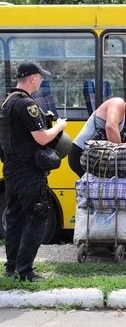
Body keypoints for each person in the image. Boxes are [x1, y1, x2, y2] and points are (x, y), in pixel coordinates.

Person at [0, 61, 67, 281]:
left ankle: (11, 268)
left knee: (15, 219)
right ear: (31, 78)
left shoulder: (7, 103)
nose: (41, 80)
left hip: (11, 171)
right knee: (38, 217)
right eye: (40, 77)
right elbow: (42, 137)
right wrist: (59, 126)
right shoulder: (27, 104)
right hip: (29, 173)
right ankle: (26, 271)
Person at [68, 96, 126, 178]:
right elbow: (111, 127)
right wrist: (120, 156)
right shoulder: (118, 103)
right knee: (94, 188)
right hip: (81, 154)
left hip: (97, 159)